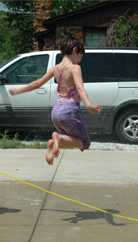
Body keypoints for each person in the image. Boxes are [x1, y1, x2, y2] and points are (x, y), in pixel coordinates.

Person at [9, 36, 101, 165]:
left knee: (69, 140)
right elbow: (80, 87)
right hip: (69, 111)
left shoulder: (55, 69)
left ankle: (52, 146)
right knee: (85, 143)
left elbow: (37, 83)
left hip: (56, 112)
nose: (79, 61)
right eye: (80, 57)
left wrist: (18, 91)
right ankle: (57, 138)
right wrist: (89, 105)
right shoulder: (75, 68)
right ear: (74, 50)